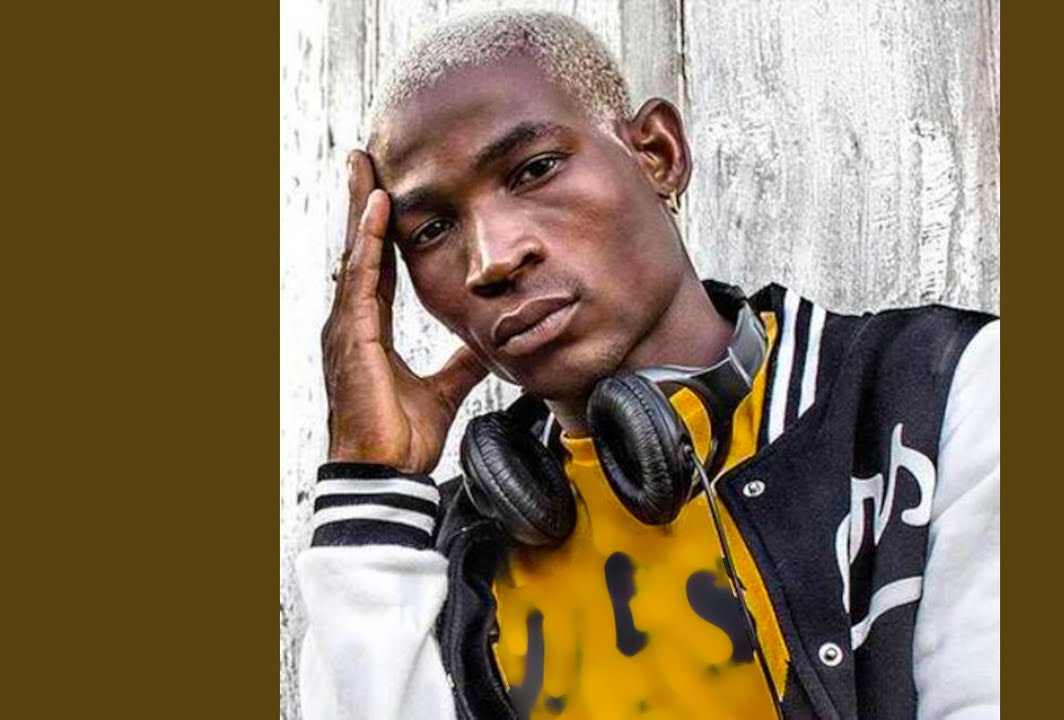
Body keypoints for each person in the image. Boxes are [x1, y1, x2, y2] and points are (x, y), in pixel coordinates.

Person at [297, 10, 999, 720]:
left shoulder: (944, 397)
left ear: (658, 154)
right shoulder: (444, 564)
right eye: (432, 229)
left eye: (534, 170)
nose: (492, 259)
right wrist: (369, 483)